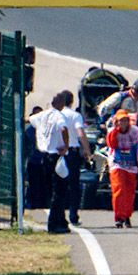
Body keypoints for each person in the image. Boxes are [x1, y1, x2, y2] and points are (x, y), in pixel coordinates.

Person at [31, 92, 74, 234]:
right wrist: (66, 146)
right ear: (61, 104)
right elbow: (64, 128)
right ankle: (53, 223)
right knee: (60, 191)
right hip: (57, 156)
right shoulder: (59, 116)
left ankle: (61, 221)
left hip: (44, 157)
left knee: (51, 190)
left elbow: (28, 119)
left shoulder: (42, 115)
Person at [105, 110, 138, 228]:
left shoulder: (136, 132)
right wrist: (115, 130)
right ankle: (119, 217)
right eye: (121, 121)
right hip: (117, 165)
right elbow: (112, 144)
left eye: (126, 120)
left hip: (132, 166)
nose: (124, 123)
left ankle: (127, 216)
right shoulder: (112, 132)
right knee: (119, 190)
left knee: (129, 193)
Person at [59, 93, 93, 226]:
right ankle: (73, 215)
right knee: (74, 185)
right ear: (72, 102)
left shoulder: (56, 115)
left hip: (58, 151)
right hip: (72, 151)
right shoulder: (75, 116)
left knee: (59, 185)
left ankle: (59, 214)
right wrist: (86, 149)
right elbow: (80, 133)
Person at [23, 106, 47, 210]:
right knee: (33, 183)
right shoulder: (29, 132)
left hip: (45, 162)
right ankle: (32, 202)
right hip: (33, 162)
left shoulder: (46, 130)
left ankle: (43, 203)